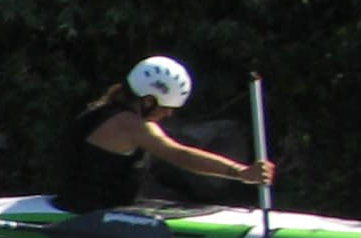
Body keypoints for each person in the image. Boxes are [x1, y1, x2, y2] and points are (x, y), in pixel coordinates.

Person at [52, 55, 275, 213]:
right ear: (148, 101)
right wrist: (241, 172)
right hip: (87, 215)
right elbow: (179, 155)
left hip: (89, 206)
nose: (168, 114)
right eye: (166, 107)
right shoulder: (130, 124)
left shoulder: (103, 109)